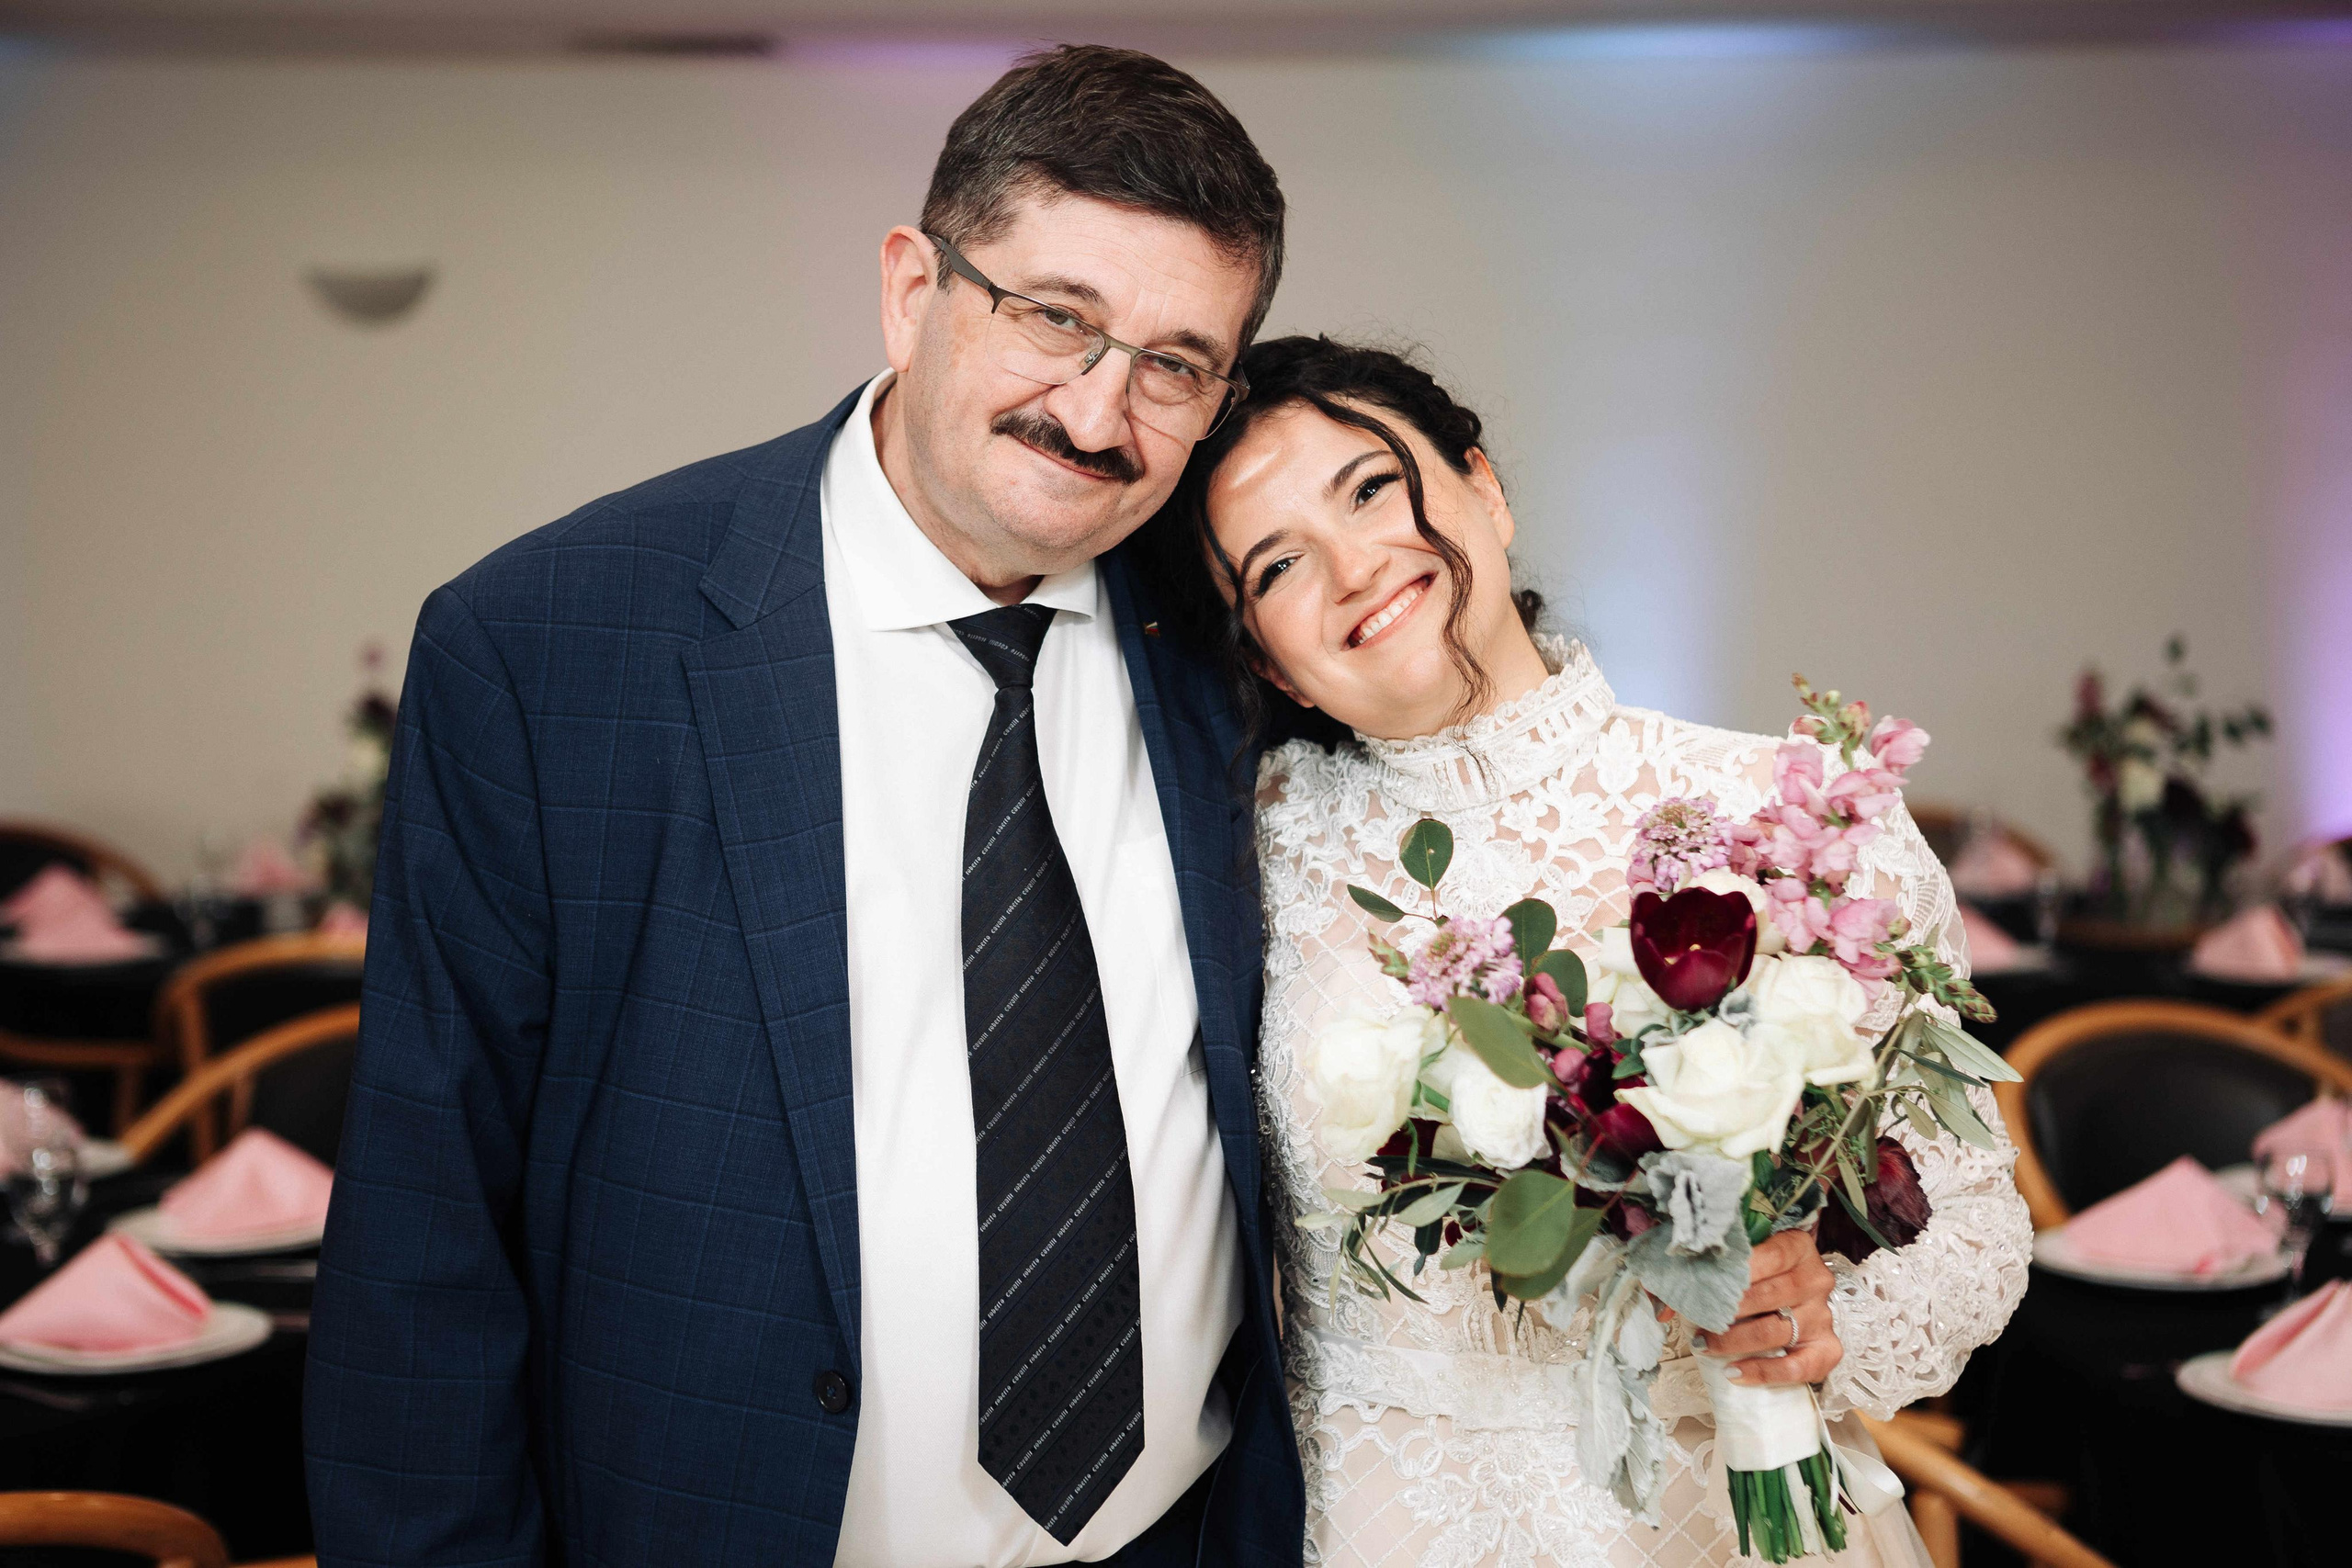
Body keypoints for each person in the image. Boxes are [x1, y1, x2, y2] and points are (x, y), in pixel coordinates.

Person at [305, 47, 1306, 1568]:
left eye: (1174, 363)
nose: (1101, 411)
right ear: (913, 288)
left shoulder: (1235, 642)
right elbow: (421, 1237)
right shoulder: (554, 643)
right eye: (1056, 319)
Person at [1141, 336, 2034, 1567]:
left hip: (1717, 1514)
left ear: (1484, 488)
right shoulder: (1232, 853)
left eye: (1368, 489)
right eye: (1281, 563)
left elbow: (1969, 1217)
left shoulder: (1794, 814)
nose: (1354, 567)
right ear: (1261, 655)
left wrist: (1819, 1316)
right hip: (1379, 1522)